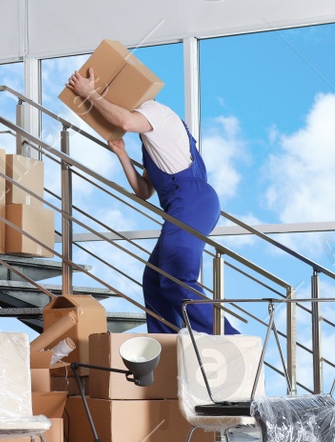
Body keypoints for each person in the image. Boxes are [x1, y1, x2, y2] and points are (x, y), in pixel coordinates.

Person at [65, 67, 234, 335]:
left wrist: (90, 94)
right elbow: (144, 191)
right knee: (154, 280)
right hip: (182, 204)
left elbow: (125, 123)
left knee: (177, 279)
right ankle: (166, 349)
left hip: (193, 199)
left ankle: (230, 340)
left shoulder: (155, 111)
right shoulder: (148, 138)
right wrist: (122, 154)